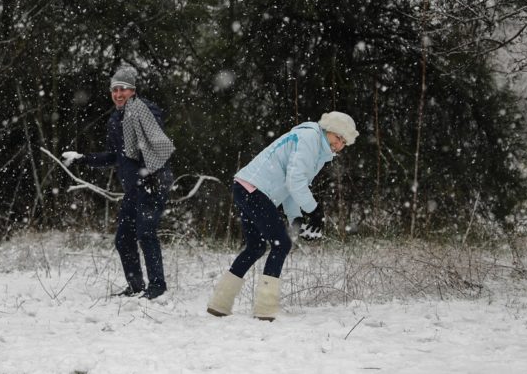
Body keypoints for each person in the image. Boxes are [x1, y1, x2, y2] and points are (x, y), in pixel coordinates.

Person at [206, 111, 358, 321]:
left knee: (256, 247)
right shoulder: (309, 139)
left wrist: (296, 217)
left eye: (344, 142)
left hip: (246, 188)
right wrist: (314, 211)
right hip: (254, 190)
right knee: (281, 244)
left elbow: (292, 185)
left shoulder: (318, 150)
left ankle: (219, 303)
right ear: (327, 129)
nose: (339, 144)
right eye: (337, 137)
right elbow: (295, 182)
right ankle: (265, 309)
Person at [62, 67, 175, 299]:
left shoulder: (145, 111)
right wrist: (83, 159)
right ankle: (135, 286)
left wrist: (152, 176)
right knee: (123, 239)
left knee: (146, 233)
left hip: (153, 181)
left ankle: (157, 287)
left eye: (123, 89)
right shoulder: (116, 119)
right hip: (135, 186)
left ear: (133, 91)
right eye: (114, 89)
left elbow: (159, 146)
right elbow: (115, 156)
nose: (118, 93)